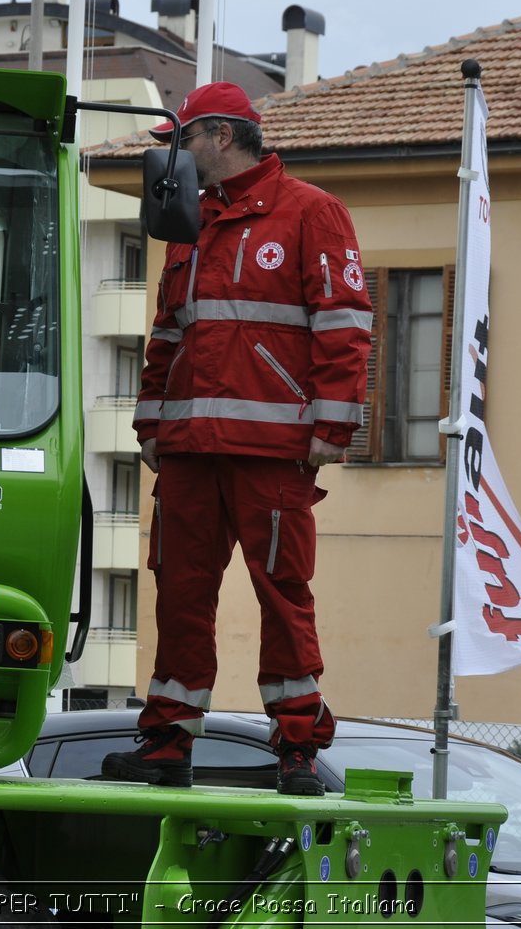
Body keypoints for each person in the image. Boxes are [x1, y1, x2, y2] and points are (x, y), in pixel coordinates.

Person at [101, 82, 372, 795]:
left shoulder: (312, 211)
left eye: (184, 141)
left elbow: (345, 325)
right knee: (180, 593)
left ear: (221, 136)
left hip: (270, 451)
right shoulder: (190, 224)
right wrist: (151, 421)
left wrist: (333, 424)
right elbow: (167, 334)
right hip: (190, 449)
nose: (177, 159)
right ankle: (167, 742)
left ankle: (298, 748)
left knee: (282, 594)